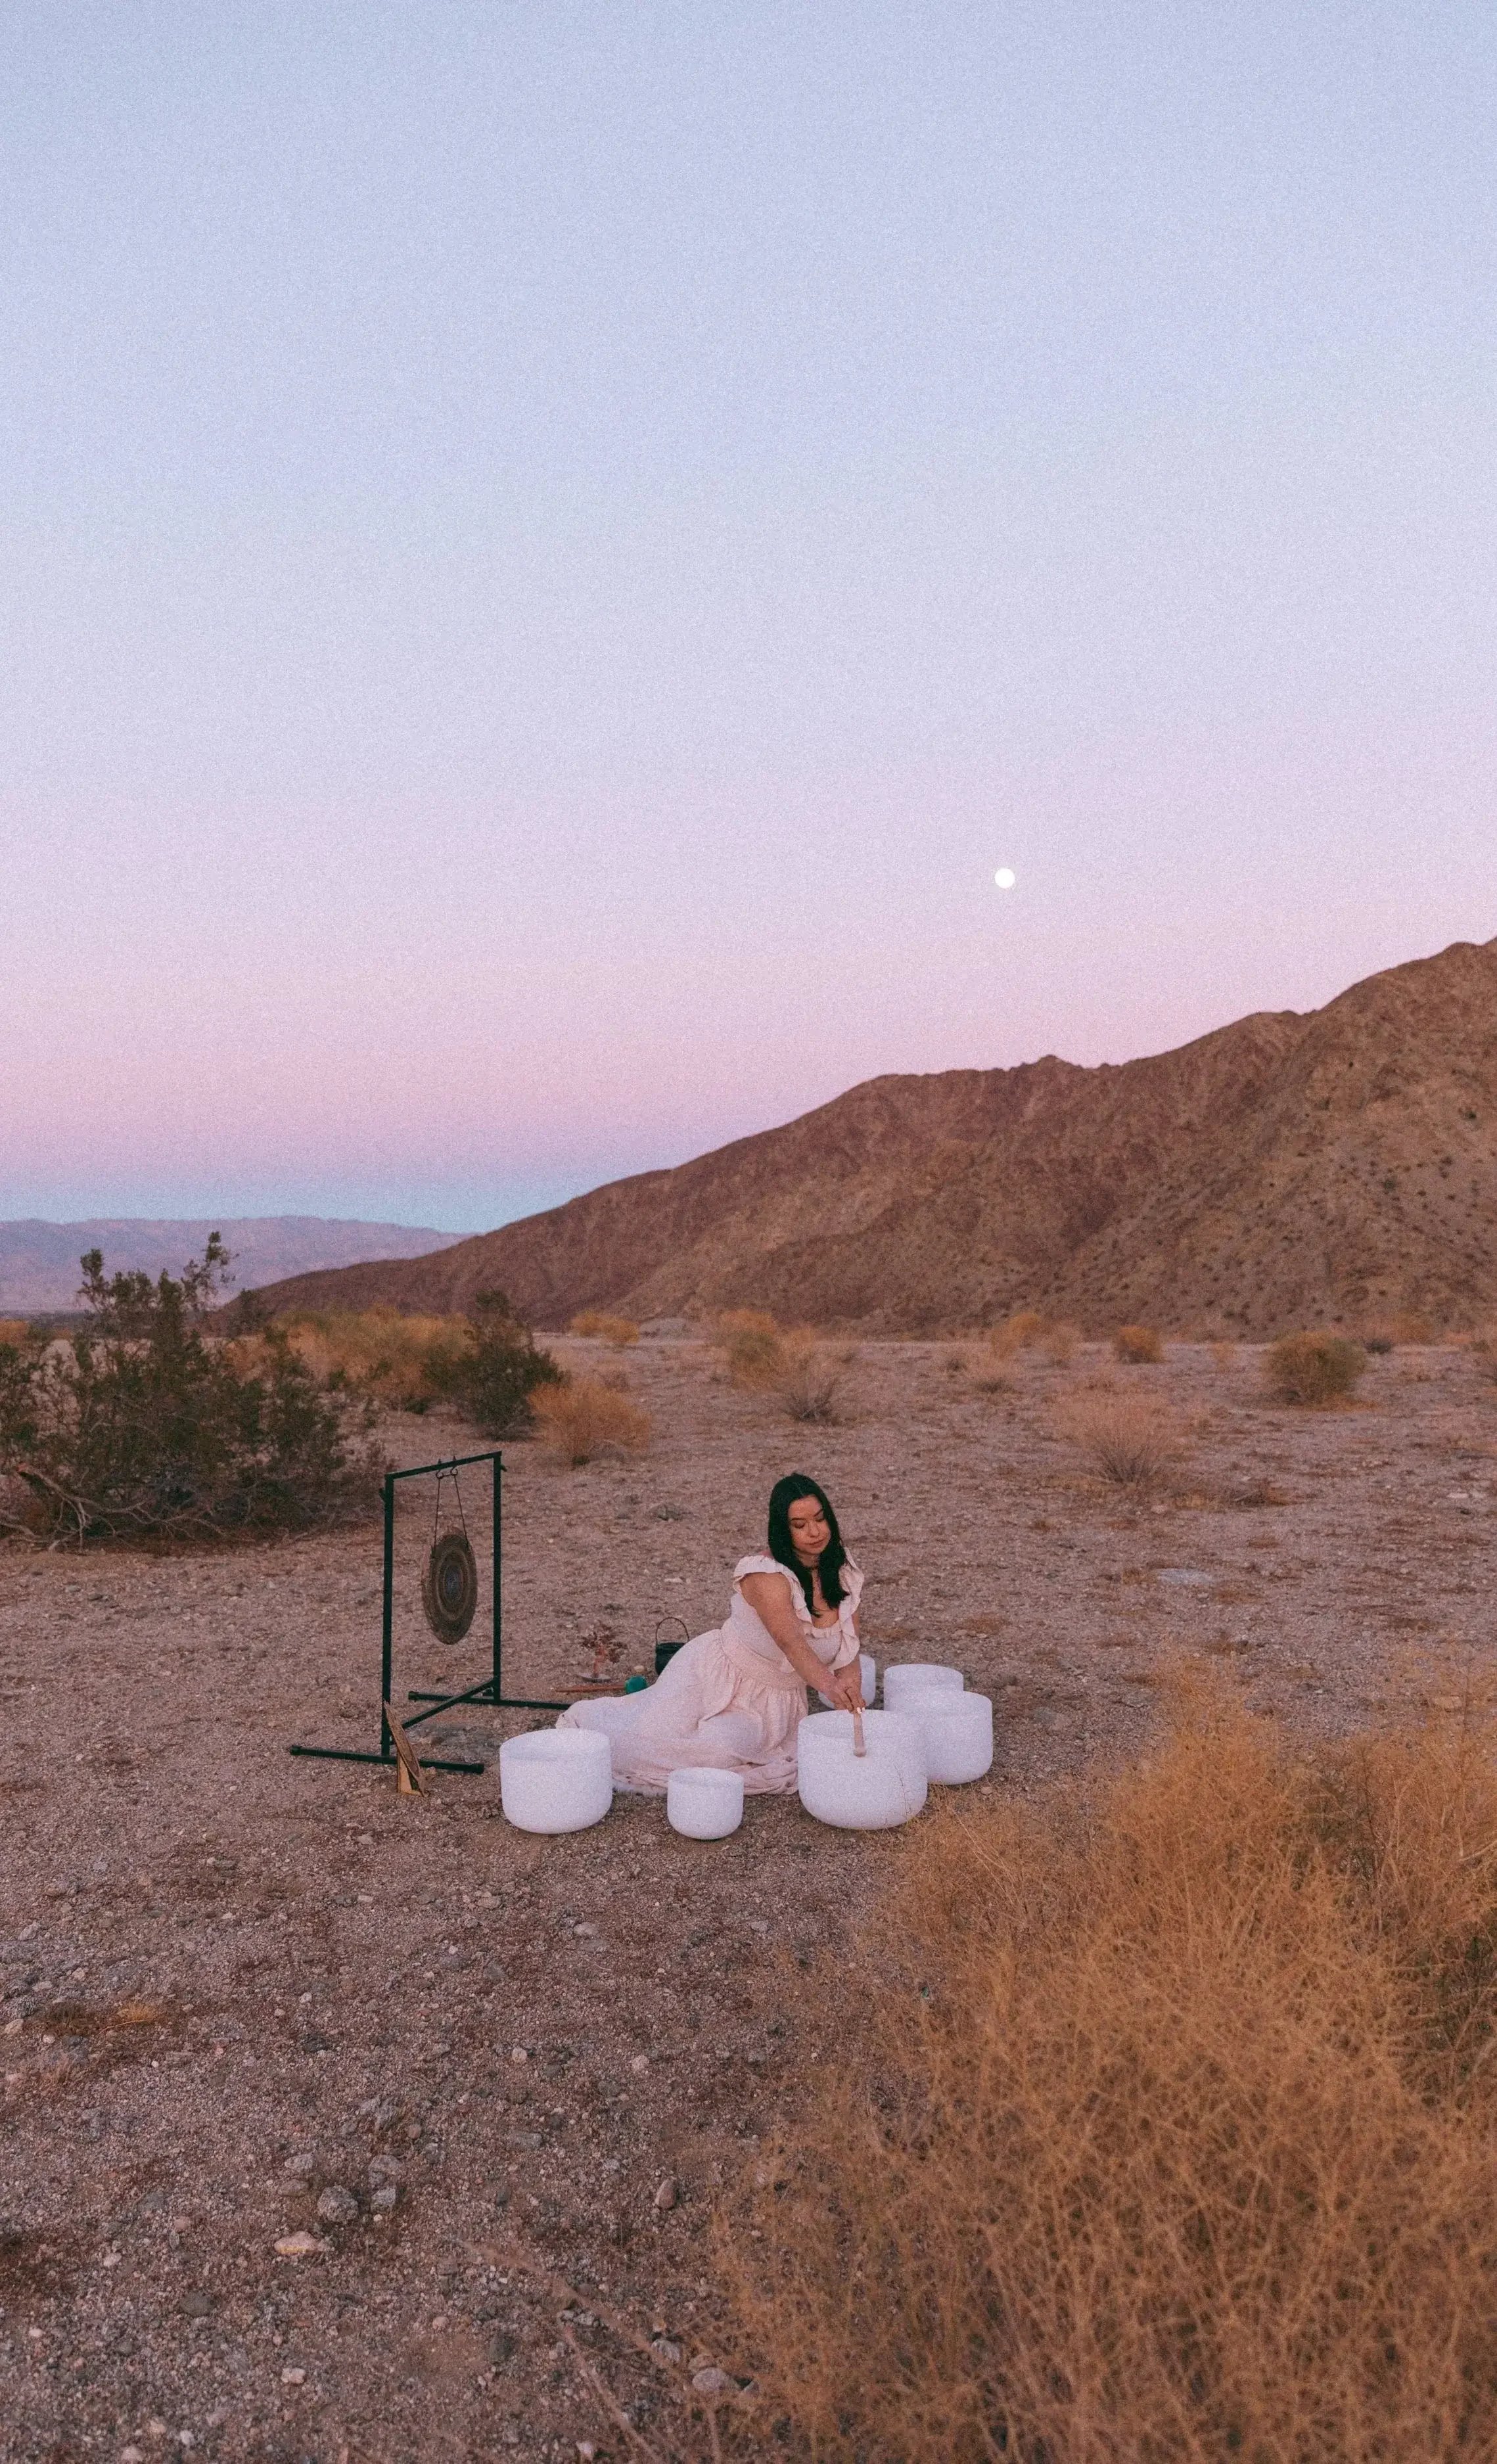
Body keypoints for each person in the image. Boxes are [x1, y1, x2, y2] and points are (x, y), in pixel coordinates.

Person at [559, 1472, 864, 1795]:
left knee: (740, 1753)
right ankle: (595, 1727)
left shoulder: (841, 1567)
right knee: (693, 1751)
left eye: (820, 1519)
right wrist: (830, 1685)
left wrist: (851, 1690)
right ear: (782, 1529)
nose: (815, 1532)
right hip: (715, 1679)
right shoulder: (766, 1575)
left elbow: (848, 1646)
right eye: (799, 1525)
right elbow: (792, 1643)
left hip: (778, 1700)